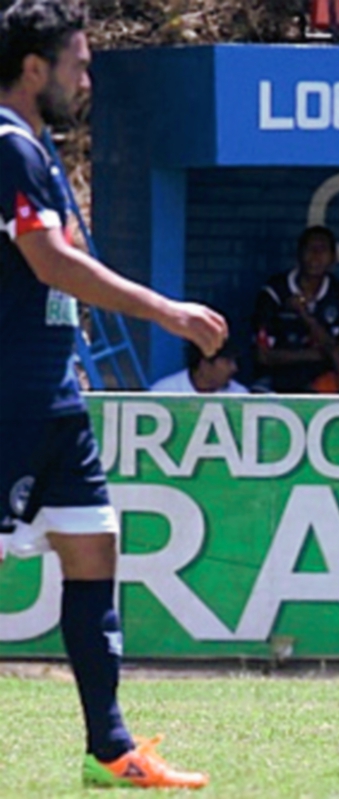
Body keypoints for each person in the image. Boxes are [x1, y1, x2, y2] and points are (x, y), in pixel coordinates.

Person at [0, 0, 216, 787]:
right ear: (35, 68)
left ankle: (112, 749)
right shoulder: (9, 145)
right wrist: (167, 310)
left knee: (96, 551)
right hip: (9, 395)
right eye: (78, 64)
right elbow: (50, 262)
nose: (87, 78)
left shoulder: (38, 146)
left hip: (54, 393)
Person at [250, 225, 339, 393]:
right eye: (310, 249)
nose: (316, 256)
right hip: (275, 380)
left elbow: (338, 355)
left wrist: (304, 315)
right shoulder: (274, 291)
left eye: (322, 250)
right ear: (298, 255)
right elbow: (263, 356)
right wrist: (315, 355)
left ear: (333, 258)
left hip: (322, 383)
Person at [149, 340, 248, 394]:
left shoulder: (238, 394)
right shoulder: (164, 392)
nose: (234, 368)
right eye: (227, 362)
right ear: (205, 364)